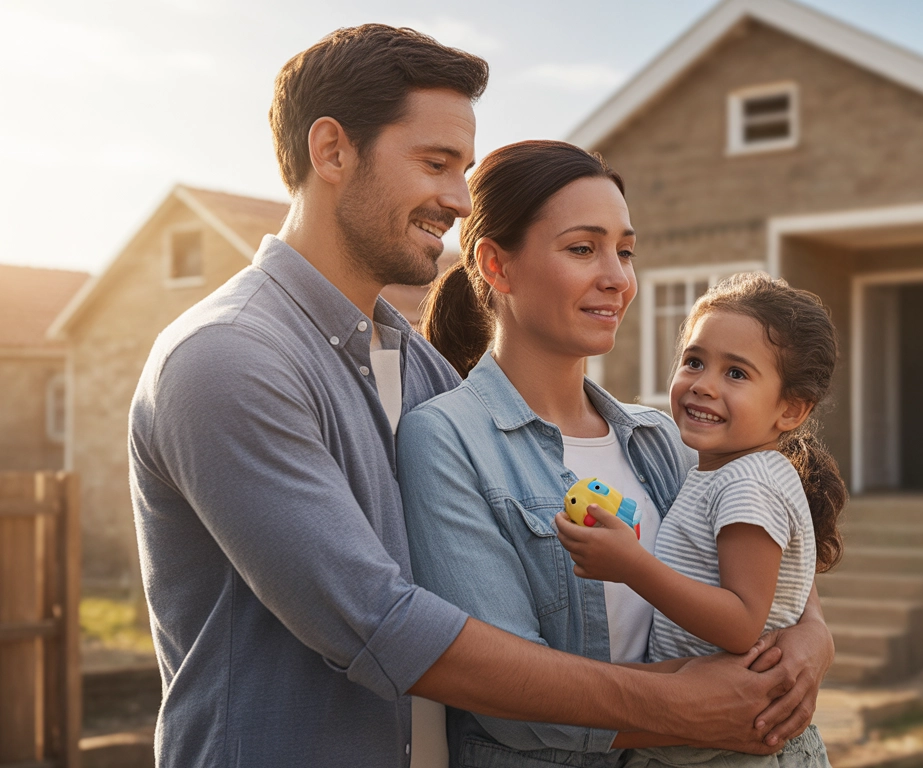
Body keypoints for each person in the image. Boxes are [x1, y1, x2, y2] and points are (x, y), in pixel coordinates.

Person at [128, 26, 802, 768]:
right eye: (435, 163)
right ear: (331, 151)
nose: (457, 198)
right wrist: (677, 707)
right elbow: (377, 623)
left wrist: (806, 639)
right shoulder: (228, 359)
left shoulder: (416, 367)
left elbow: (739, 547)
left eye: (464, 169)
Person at [399, 140, 835, 768]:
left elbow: (766, 569)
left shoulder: (661, 438)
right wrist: (682, 709)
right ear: (497, 266)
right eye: (583, 248)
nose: (617, 278)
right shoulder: (447, 440)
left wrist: (812, 636)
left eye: (625, 252)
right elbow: (501, 697)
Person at [556, 273, 848, 768]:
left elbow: (739, 623)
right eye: (694, 361)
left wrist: (632, 565)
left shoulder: (747, 484)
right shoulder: (722, 470)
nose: (704, 385)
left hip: (724, 752)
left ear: (791, 409)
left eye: (736, 373)